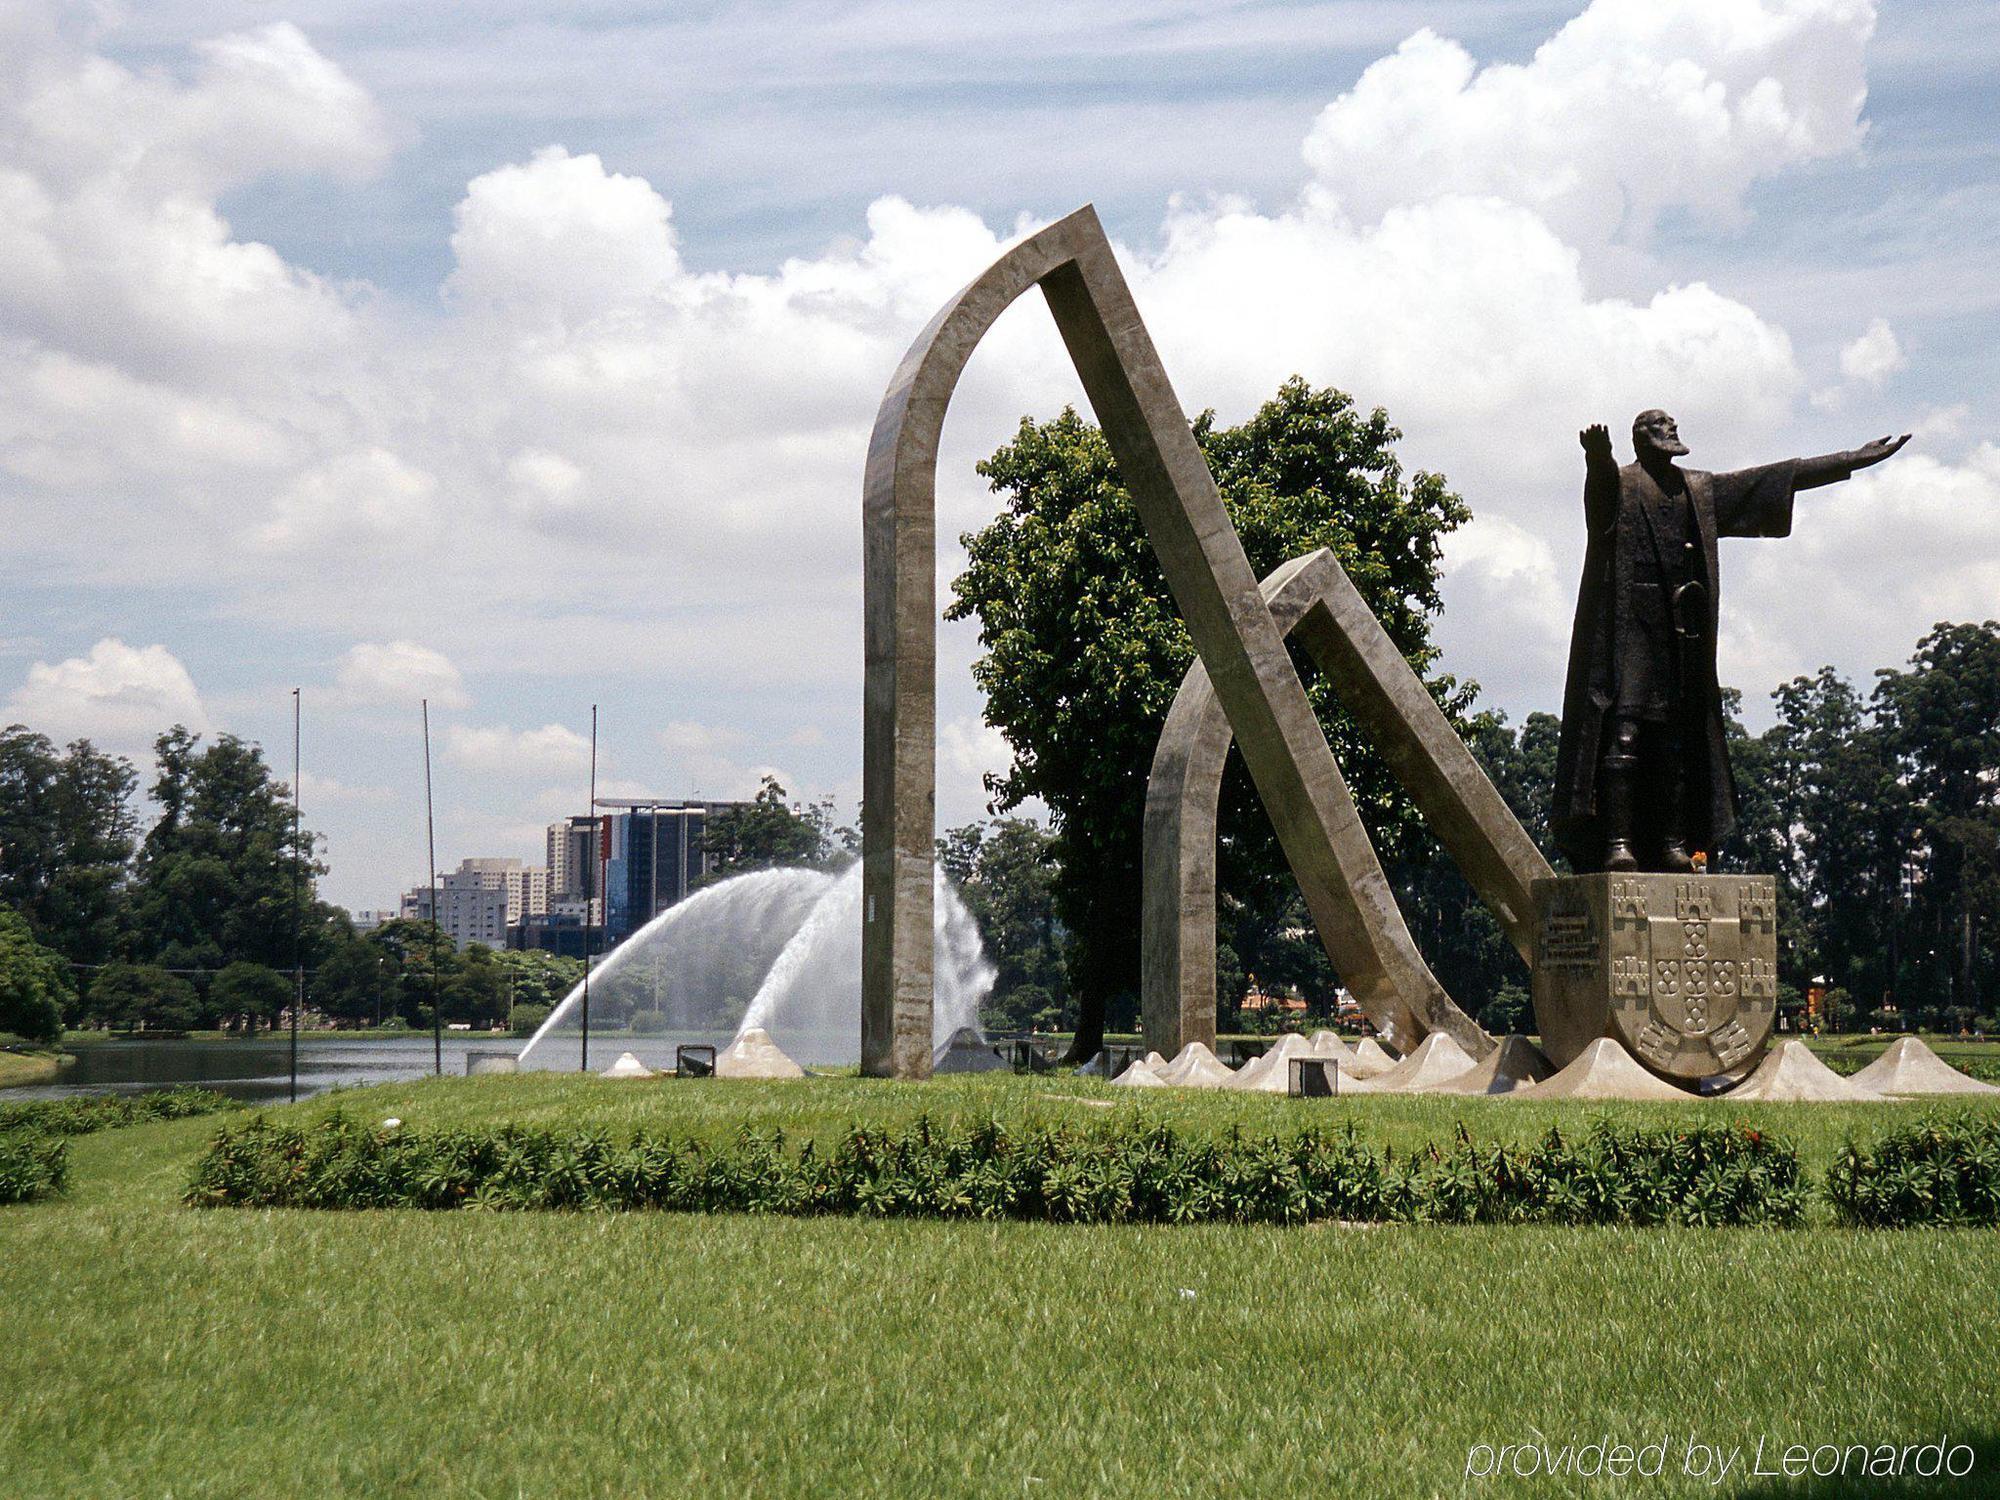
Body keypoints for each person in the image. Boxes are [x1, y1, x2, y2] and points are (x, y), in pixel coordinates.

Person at [1552, 410, 1908, 873]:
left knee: (1675, 740)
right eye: (1662, 425)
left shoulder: (1697, 490)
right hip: (1629, 629)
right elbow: (1600, 511)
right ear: (1641, 439)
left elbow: (1772, 480)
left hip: (1679, 634)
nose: (1673, 429)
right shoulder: (1622, 484)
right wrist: (1598, 462)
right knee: (1624, 735)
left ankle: (1671, 843)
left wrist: (1850, 460)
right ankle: (1619, 843)